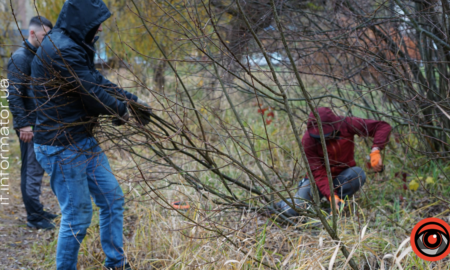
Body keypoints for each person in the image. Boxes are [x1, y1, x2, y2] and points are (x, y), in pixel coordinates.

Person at [31, 0, 150, 269]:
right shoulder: (62, 50)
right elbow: (90, 93)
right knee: (78, 216)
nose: (98, 30)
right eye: (96, 25)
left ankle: (116, 263)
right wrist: (122, 111)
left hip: (81, 139)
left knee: (112, 198)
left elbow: (95, 79)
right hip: (61, 146)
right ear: (83, 21)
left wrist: (130, 100)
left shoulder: (71, 43)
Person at [275, 107, 391, 217]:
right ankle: (282, 204)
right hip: (317, 181)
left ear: (334, 127)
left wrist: (376, 150)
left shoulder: (346, 124)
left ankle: (338, 207)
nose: (323, 139)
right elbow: (318, 172)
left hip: (343, 176)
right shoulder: (308, 140)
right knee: (292, 210)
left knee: (357, 174)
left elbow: (382, 127)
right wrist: (331, 195)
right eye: (318, 136)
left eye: (326, 135)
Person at [7, 16, 57, 230]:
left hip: (41, 122)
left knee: (37, 169)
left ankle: (37, 209)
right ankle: (34, 218)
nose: (47, 40)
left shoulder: (38, 54)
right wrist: (23, 124)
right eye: (45, 36)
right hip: (30, 125)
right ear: (32, 33)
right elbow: (13, 94)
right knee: (31, 170)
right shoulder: (21, 57)